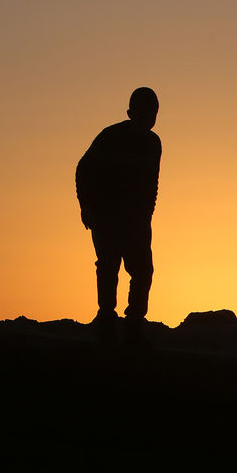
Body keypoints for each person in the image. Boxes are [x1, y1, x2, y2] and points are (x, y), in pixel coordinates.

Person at [76, 87, 161, 343]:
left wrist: (146, 216)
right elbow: (83, 169)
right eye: (143, 114)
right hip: (106, 216)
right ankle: (106, 321)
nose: (148, 120)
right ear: (130, 113)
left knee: (142, 271)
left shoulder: (153, 144)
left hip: (136, 220)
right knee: (108, 266)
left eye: (152, 114)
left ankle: (133, 324)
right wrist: (86, 205)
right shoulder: (110, 137)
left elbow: (151, 184)